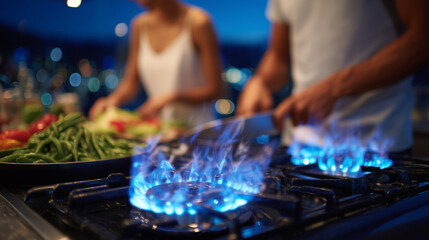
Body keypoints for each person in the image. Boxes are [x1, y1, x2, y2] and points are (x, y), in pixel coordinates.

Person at [237, 0, 429, 153]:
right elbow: (278, 56)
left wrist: (333, 88)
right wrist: (260, 81)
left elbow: (422, 39)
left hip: (377, 148)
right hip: (298, 147)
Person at [89, 0, 222, 128]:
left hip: (197, 134)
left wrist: (171, 97)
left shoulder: (198, 22)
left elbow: (216, 90)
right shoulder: (139, 25)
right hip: (160, 133)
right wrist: (112, 100)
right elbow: (131, 84)